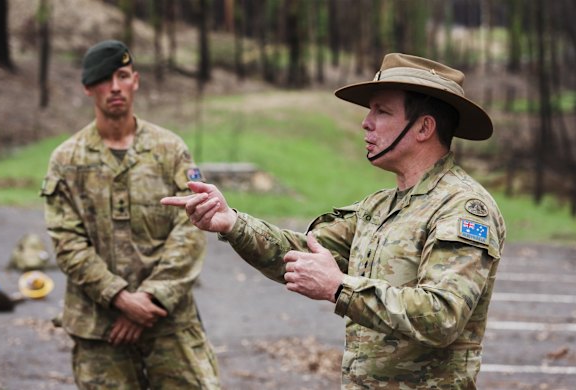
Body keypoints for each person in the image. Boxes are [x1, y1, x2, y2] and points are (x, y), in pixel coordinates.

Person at [162, 53, 506, 389]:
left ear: (423, 127)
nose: (365, 122)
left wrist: (339, 287)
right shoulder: (381, 205)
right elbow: (302, 253)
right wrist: (232, 223)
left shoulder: (461, 207)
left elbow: (442, 316)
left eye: (382, 111)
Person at [41, 40, 220, 389]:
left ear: (135, 80)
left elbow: (192, 227)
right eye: (104, 80)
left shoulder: (170, 150)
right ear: (88, 89)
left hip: (167, 319)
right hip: (100, 326)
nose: (115, 87)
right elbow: (67, 243)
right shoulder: (66, 161)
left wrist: (149, 300)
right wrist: (122, 299)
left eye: (123, 76)